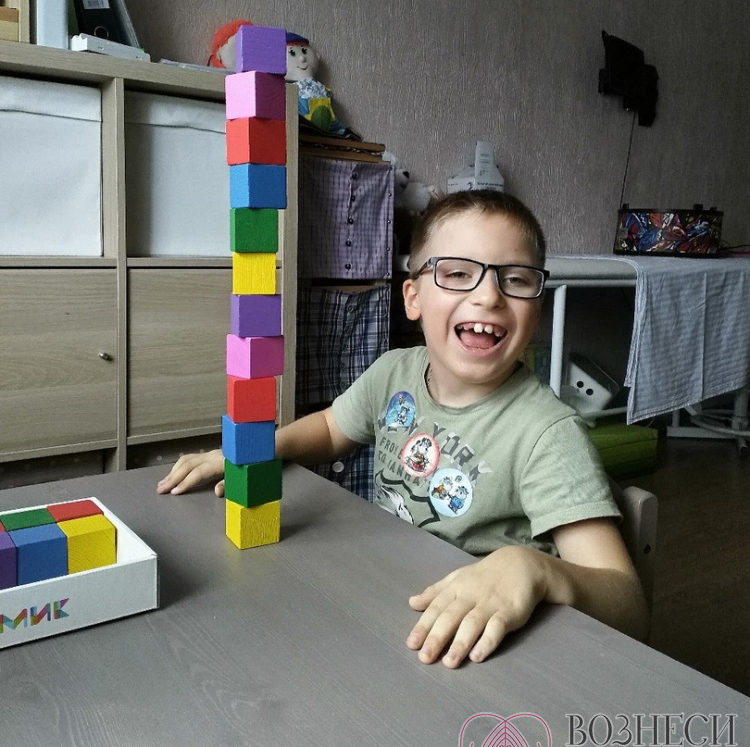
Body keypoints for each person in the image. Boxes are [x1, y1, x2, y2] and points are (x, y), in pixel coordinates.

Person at [158, 189, 649, 667]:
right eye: (458, 273)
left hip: (483, 650)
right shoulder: (394, 372)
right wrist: (256, 449)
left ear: (535, 310)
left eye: (516, 280)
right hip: (386, 599)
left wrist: (534, 568)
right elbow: (331, 428)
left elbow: (629, 605)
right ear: (412, 298)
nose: (489, 296)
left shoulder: (549, 435)